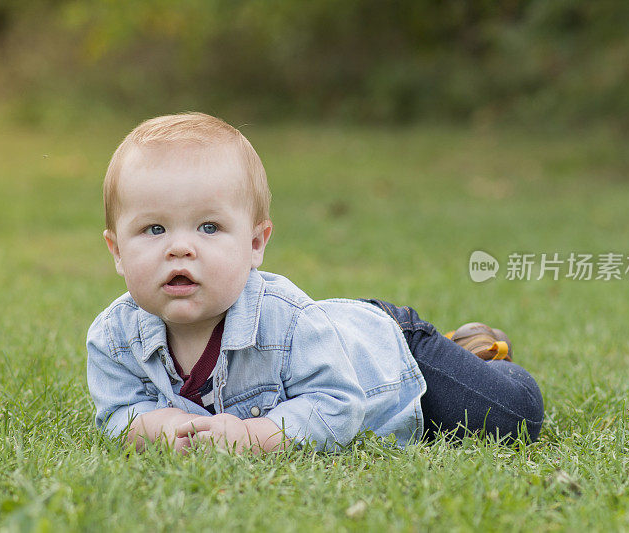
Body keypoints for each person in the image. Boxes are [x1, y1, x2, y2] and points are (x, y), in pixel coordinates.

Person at [86, 112, 544, 454]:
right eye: (154, 229)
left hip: (391, 354)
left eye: (208, 228)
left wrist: (254, 435)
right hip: (332, 330)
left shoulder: (287, 322)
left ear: (255, 244)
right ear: (117, 251)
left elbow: (338, 404)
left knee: (510, 418)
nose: (180, 248)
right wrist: (153, 426)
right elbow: (116, 410)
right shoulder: (113, 338)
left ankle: (471, 354)